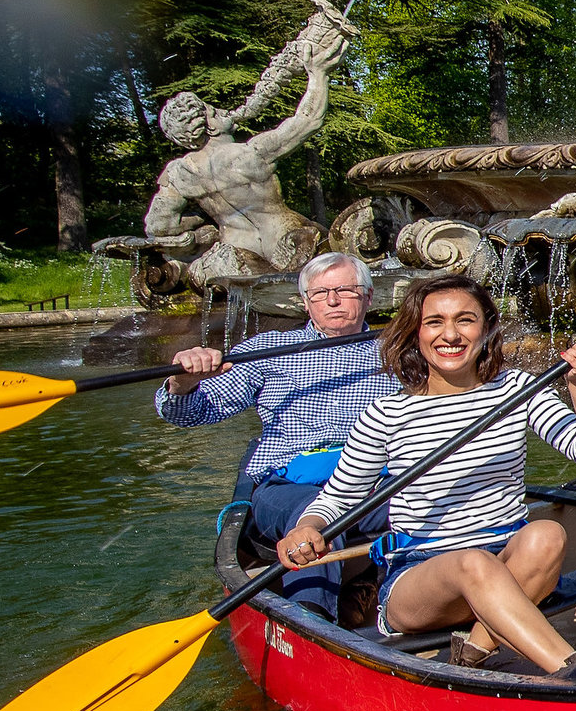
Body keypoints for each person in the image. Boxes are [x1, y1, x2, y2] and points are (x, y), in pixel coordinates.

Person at [276, 275, 576, 672]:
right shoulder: (386, 415)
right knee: (472, 563)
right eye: (434, 322)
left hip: (508, 563)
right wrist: (306, 527)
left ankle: (473, 652)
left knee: (546, 534)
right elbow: (337, 499)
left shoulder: (517, 389)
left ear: (485, 329)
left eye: (465, 320)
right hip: (420, 577)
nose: (450, 334)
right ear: (416, 332)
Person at [157, 251, 398, 613]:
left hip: (373, 483)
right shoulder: (268, 351)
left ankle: (428, 596)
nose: (332, 300)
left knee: (448, 500)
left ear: (368, 297)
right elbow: (195, 413)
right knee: (314, 515)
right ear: (305, 302)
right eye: (320, 293)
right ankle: (313, 616)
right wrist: (182, 382)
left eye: (345, 290)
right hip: (287, 487)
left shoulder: (400, 351)